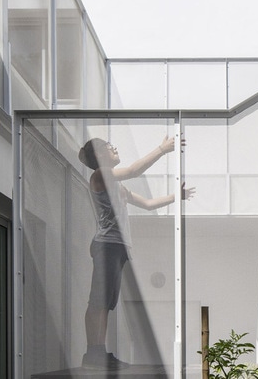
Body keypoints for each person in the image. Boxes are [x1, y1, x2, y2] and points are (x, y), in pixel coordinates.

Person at [78, 135, 194, 370]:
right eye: (111, 147)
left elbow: (148, 204)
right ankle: (93, 354)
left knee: (106, 303)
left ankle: (98, 353)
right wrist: (162, 149)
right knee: (98, 302)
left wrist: (176, 197)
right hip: (107, 245)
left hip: (118, 248)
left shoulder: (117, 186)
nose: (115, 147)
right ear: (100, 155)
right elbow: (132, 170)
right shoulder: (100, 175)